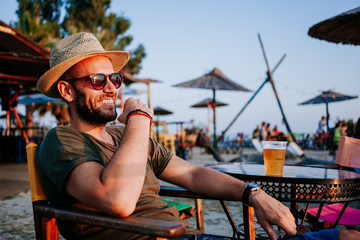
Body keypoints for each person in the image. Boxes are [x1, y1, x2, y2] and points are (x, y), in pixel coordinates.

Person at [36, 32, 358, 240]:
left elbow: (190, 171)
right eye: (97, 80)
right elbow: (118, 202)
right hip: (164, 236)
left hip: (184, 235)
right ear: (66, 90)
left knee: (347, 236)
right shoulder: (61, 142)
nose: (111, 88)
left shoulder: (125, 137)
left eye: (115, 79)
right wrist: (138, 118)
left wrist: (254, 194)